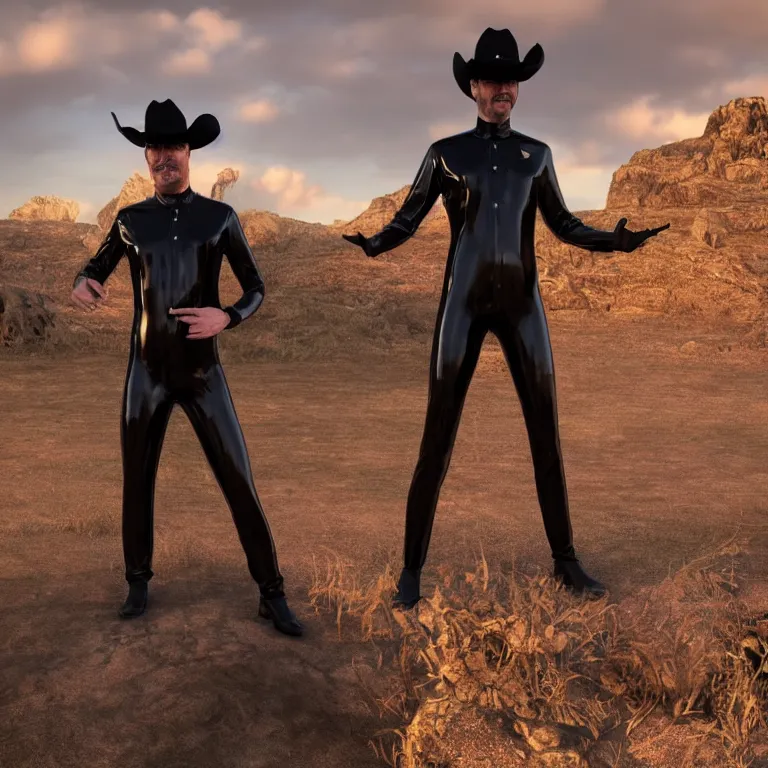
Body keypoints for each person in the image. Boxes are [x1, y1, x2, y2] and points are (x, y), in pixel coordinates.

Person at [342, 28, 669, 609]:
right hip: (461, 307)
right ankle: (410, 570)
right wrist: (374, 244)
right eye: (493, 80)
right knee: (435, 440)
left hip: (524, 310)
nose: (504, 89)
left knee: (546, 434)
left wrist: (613, 243)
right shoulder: (446, 153)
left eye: (511, 80)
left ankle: (566, 563)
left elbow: (564, 224)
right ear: (472, 86)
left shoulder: (536, 156)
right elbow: (408, 218)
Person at [70, 99, 302, 636]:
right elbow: (92, 269)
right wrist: (83, 282)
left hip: (204, 375)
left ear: (189, 152)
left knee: (238, 478)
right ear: (146, 156)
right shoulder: (130, 222)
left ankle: (272, 593)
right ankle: (137, 583)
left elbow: (257, 288)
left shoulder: (219, 218)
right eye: (155, 147)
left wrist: (228, 316)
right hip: (145, 374)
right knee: (137, 480)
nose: (164, 157)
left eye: (174, 146)